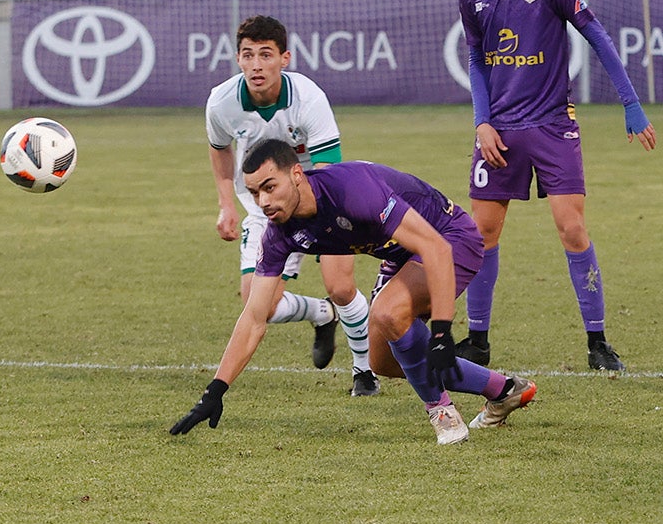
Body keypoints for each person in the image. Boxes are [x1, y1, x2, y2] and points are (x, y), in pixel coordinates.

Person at [171, 140, 537, 445]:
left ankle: (442, 412)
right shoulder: (279, 232)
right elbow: (254, 317)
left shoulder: (350, 189)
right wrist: (215, 390)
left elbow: (436, 249)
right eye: (254, 193)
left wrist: (441, 330)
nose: (263, 202)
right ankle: (503, 390)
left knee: (388, 314)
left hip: (450, 237)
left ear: (296, 174)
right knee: (383, 362)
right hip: (399, 254)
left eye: (270, 187)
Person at [456, 0, 657, 371]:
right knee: (481, 233)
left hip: (551, 126)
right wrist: (482, 121)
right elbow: (478, 60)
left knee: (572, 229)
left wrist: (630, 104)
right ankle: (477, 340)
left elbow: (598, 37)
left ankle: (597, 342)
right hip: (499, 131)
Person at [206, 15, 378, 397]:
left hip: (323, 201)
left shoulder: (308, 98)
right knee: (257, 303)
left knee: (341, 286)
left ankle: (364, 371)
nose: (256, 65)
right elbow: (219, 151)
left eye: (265, 55)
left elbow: (331, 169)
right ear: (237, 59)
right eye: (247, 55)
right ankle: (321, 314)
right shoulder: (221, 103)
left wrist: (319, 221)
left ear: (284, 58)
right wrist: (225, 205)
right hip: (264, 208)